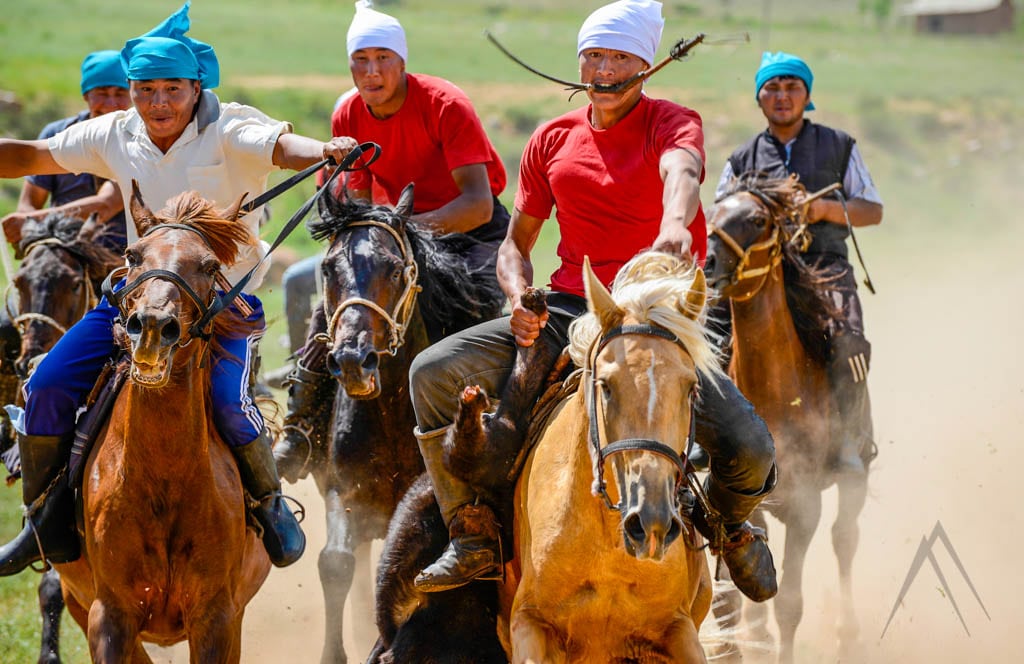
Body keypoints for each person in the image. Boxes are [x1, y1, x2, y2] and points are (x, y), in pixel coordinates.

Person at [407, 0, 779, 603]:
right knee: (428, 374)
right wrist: (516, 297)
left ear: (647, 65)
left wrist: (676, 226)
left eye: (620, 57)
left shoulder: (671, 121)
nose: (605, 68)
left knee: (750, 445)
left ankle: (730, 527)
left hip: (659, 315)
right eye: (595, 56)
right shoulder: (552, 137)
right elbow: (514, 243)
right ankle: (470, 529)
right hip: (572, 308)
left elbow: (681, 172)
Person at [0, 2, 358, 576]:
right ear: (131, 91)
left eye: (172, 89)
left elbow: (280, 149)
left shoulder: (230, 126)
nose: (158, 103)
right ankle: (42, 522)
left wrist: (326, 150)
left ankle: (268, 507)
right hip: (136, 299)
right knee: (45, 385)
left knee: (230, 404)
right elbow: (34, 156)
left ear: (196, 88)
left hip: (219, 304)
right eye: (145, 90)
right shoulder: (116, 132)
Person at [272, 0, 510, 481]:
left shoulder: (446, 105)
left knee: (482, 312)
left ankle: (498, 432)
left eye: (383, 59)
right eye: (361, 60)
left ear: (402, 63)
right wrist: (368, 245)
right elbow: (356, 202)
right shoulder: (348, 114)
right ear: (350, 65)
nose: (372, 71)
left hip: (467, 232)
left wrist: (404, 235)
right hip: (392, 231)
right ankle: (301, 422)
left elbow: (478, 205)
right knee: (333, 302)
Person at [715, 51, 882, 477]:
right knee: (708, 342)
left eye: (792, 87)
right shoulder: (742, 159)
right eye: (771, 87)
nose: (782, 96)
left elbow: (872, 210)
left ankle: (850, 437)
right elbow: (722, 215)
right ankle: (708, 440)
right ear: (759, 98)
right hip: (756, 270)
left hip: (824, 265)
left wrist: (824, 209)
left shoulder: (838, 145)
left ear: (807, 95)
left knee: (849, 343)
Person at [1, 50, 131, 253]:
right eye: (102, 93)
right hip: (62, 253)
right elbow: (28, 204)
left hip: (123, 258)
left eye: (120, 93)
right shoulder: (56, 134)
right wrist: (29, 230)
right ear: (86, 95)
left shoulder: (136, 139)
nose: (111, 104)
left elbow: (107, 204)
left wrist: (33, 221)